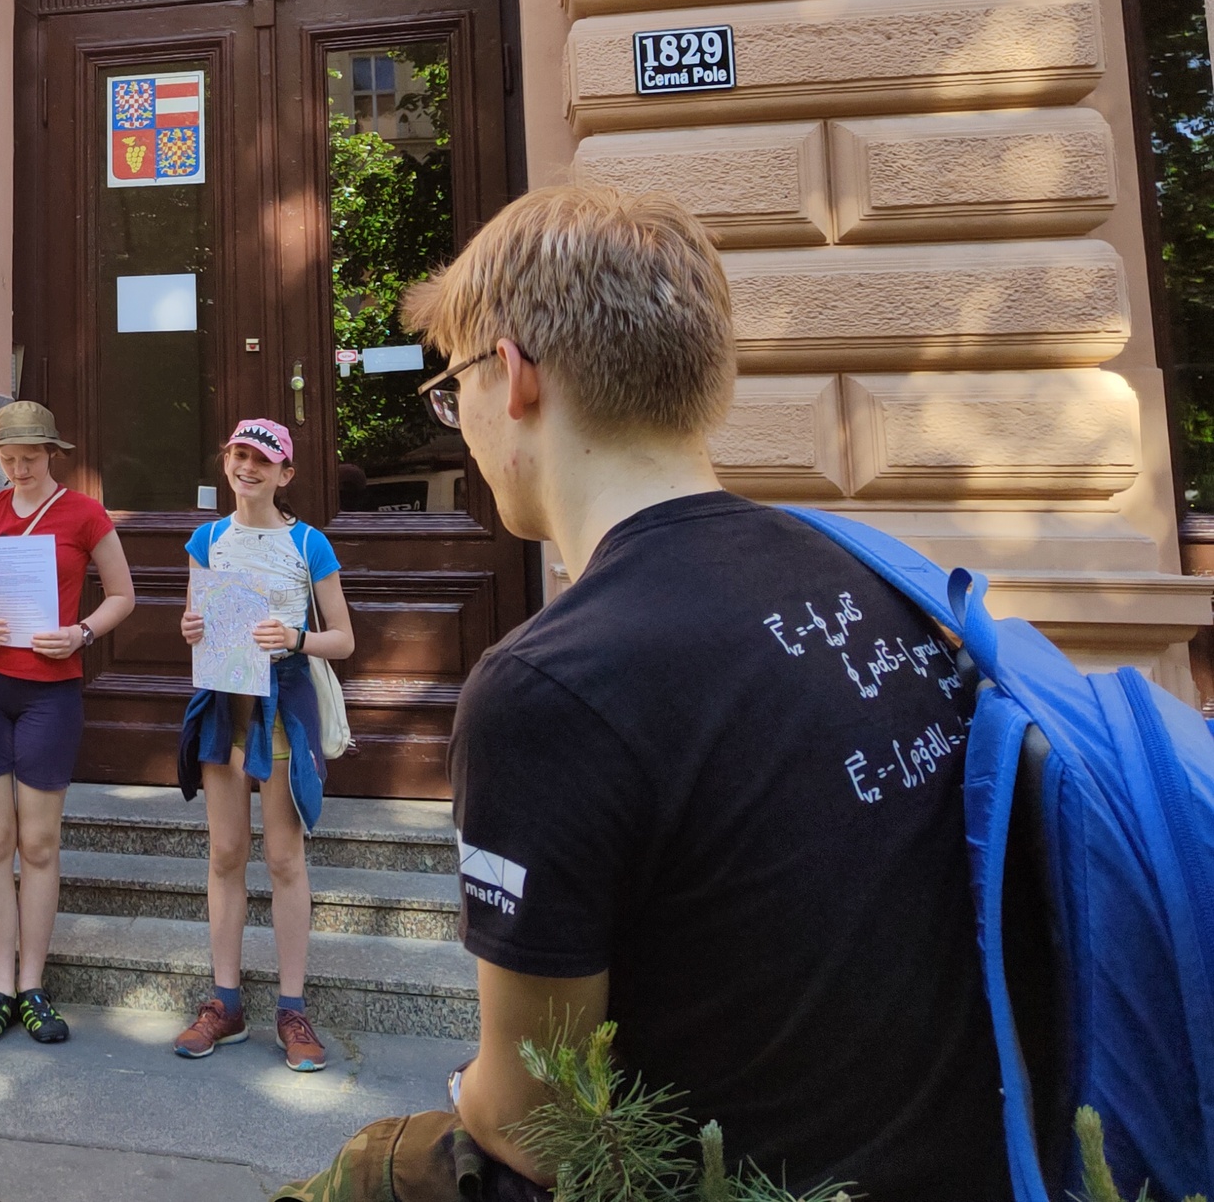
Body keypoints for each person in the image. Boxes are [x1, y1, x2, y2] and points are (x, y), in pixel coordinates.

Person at [405, 183, 1007, 1198]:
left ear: (513, 376)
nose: (455, 420)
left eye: (450, 385)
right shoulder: (874, 581)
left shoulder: (546, 688)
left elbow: (543, 1124)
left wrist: (465, 1091)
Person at [0, 399, 134, 1048]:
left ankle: (33, 986)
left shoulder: (84, 514)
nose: (18, 469)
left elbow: (123, 595)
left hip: (51, 691)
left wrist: (82, 633)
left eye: (29, 457)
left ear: (52, 453)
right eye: (8, 458)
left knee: (40, 842)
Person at [172, 419, 354, 1073]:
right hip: (226, 700)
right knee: (225, 851)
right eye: (238, 455)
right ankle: (225, 1002)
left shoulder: (308, 542)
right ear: (226, 461)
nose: (247, 467)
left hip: (283, 704)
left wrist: (296, 638)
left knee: (283, 857)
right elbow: (196, 622)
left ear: (284, 473)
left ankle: (291, 1006)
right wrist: (190, 626)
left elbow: (344, 639)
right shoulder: (206, 539)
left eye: (261, 459)